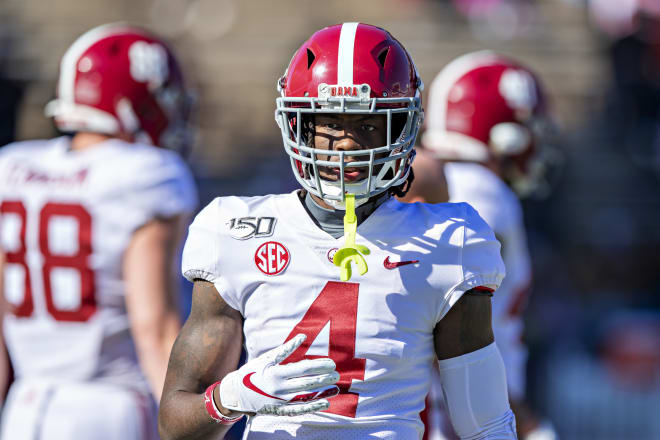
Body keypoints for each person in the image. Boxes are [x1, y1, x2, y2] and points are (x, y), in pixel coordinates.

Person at [158, 23, 516, 440]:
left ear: (402, 126)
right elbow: (174, 424)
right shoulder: (234, 232)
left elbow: (486, 425)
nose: (345, 144)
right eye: (328, 124)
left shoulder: (447, 241)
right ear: (296, 125)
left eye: (367, 126)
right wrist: (231, 396)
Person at [0, 23, 197, 439]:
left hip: (24, 406)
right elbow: (155, 331)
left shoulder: (12, 168)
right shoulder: (147, 175)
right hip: (112, 408)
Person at [405, 51, 558, 440]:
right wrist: (525, 424)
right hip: (460, 417)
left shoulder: (454, 184)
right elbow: (448, 321)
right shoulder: (483, 194)